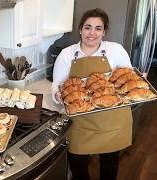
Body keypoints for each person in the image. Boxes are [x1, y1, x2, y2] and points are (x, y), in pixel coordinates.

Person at [52, 8, 133, 180]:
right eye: (88, 27)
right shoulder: (66, 55)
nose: (92, 33)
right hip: (81, 124)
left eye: (98, 28)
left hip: (112, 121)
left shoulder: (116, 50)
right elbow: (57, 86)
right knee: (78, 165)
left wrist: (135, 79)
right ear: (80, 29)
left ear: (104, 32)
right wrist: (58, 96)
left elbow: (127, 78)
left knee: (110, 167)